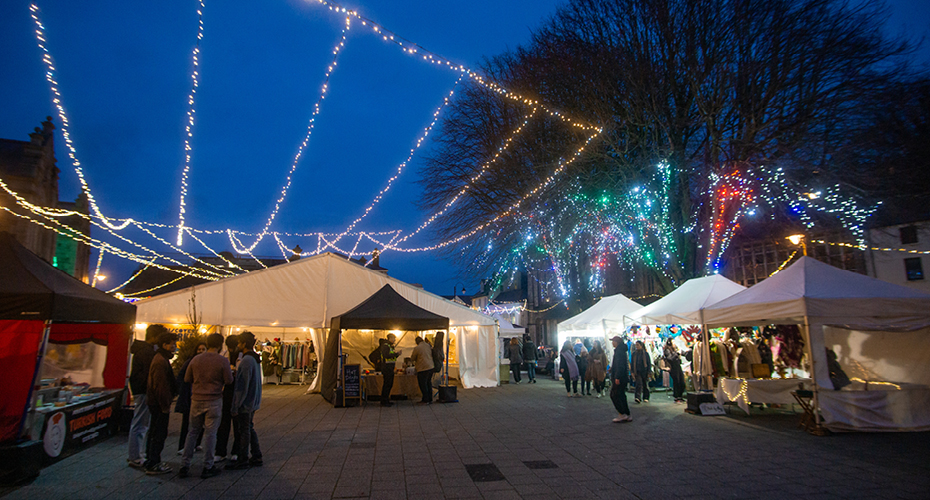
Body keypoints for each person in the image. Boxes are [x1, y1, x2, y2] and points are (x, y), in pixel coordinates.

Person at [179, 333, 233, 479]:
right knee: (211, 434)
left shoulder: (196, 359)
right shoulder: (222, 360)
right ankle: (208, 465)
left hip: (196, 399)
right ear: (220, 344)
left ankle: (185, 464)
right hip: (214, 400)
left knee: (192, 432)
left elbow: (187, 378)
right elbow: (229, 380)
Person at [127, 324, 164, 469]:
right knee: (140, 423)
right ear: (155, 337)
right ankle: (135, 456)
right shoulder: (147, 352)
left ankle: (136, 454)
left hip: (140, 389)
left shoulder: (143, 350)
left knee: (141, 422)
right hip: (143, 390)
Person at [143, 331, 179, 475]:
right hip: (158, 403)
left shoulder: (160, 358)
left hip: (156, 402)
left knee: (155, 431)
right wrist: (165, 405)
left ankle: (151, 459)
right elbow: (161, 386)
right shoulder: (160, 361)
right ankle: (153, 462)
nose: (174, 346)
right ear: (164, 345)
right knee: (158, 433)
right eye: (172, 344)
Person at [227, 331, 263, 470]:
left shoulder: (247, 360)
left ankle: (243, 458)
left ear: (243, 343)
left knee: (244, 430)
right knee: (248, 427)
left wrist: (236, 405)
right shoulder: (253, 358)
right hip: (252, 400)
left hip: (246, 401)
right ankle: (256, 454)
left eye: (239, 342)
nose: (237, 345)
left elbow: (242, 385)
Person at [176, 342, 207, 454]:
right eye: (199, 349)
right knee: (187, 422)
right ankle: (183, 446)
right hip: (189, 396)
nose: (200, 351)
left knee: (200, 422)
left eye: (203, 349)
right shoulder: (190, 362)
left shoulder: (204, 362)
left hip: (199, 395)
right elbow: (182, 377)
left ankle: (196, 443)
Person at [214, 334, 240, 463]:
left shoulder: (242, 357)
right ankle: (220, 451)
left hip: (236, 392)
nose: (232, 349)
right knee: (224, 423)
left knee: (236, 423)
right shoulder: (224, 356)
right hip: (225, 392)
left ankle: (235, 451)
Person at [610, 336, 632, 422]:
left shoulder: (619, 351)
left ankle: (622, 413)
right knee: (621, 395)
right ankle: (627, 413)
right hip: (623, 376)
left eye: (613, 341)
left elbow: (620, 365)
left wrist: (617, 376)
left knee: (614, 395)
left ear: (617, 342)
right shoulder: (622, 351)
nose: (612, 343)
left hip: (620, 377)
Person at [411, 337, 435, 404]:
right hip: (431, 366)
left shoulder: (417, 348)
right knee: (428, 383)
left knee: (423, 384)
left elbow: (413, 358)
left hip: (423, 368)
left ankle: (425, 399)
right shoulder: (428, 345)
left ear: (417, 342)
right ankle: (430, 399)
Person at [379, 333, 399, 407]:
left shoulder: (389, 346)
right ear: (390, 338)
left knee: (389, 384)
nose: (394, 340)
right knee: (387, 384)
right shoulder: (385, 346)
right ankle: (384, 401)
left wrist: (396, 355)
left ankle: (386, 399)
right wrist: (396, 354)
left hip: (389, 367)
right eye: (393, 338)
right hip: (387, 368)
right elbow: (386, 356)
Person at [664, 339, 686, 403]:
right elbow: (670, 358)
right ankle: (677, 396)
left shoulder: (675, 349)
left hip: (678, 366)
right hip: (673, 368)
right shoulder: (667, 350)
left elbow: (683, 353)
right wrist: (676, 353)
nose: (674, 343)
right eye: (673, 342)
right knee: (677, 381)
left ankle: (680, 396)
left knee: (681, 381)